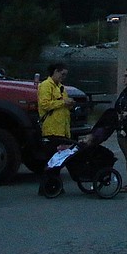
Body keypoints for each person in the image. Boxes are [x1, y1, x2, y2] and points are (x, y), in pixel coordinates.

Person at [37, 62, 74, 195]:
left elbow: (62, 106)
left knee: (59, 159)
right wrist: (63, 102)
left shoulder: (61, 87)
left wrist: (69, 105)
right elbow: (44, 104)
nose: (63, 77)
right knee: (51, 159)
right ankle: (47, 186)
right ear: (55, 72)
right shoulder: (46, 86)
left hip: (62, 128)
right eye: (62, 74)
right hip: (51, 128)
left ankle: (54, 185)